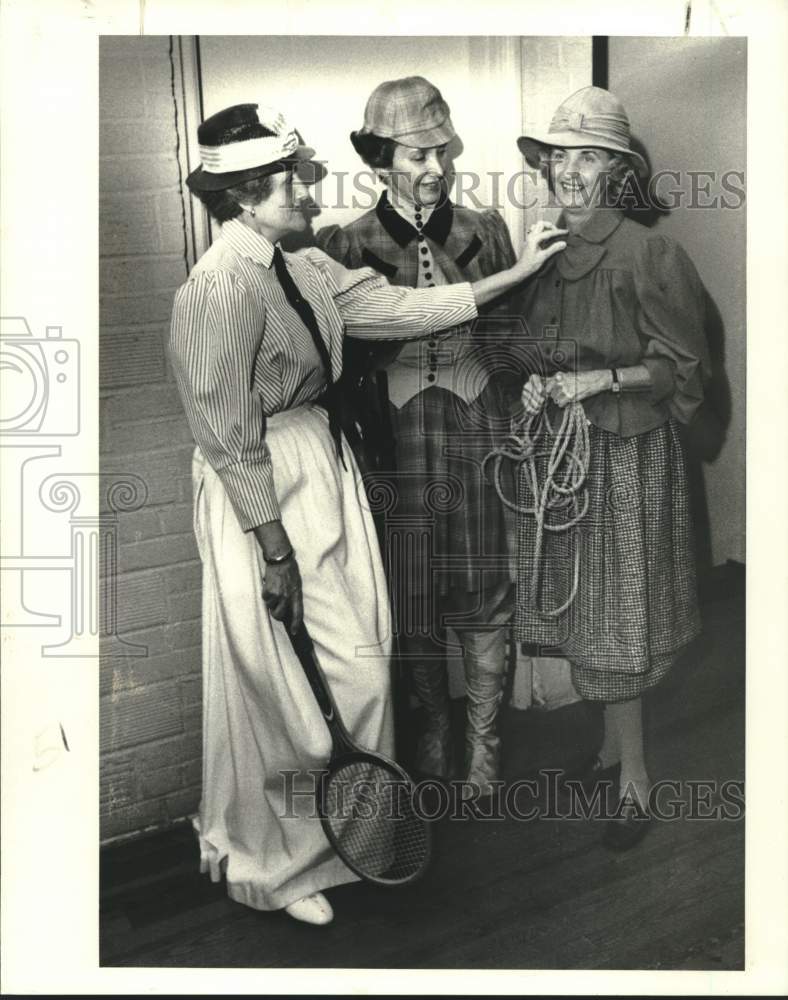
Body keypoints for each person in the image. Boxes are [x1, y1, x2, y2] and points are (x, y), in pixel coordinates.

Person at [169, 102, 565, 925]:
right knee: (288, 685)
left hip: (323, 468)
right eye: (288, 184)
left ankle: (344, 839)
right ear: (243, 195)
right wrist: (272, 546)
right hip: (263, 492)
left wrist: (514, 274)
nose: (308, 195)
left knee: (360, 661)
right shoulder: (217, 287)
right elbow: (223, 430)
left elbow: (402, 309)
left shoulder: (305, 266)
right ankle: (281, 864)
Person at [514, 86, 710, 849]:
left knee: (620, 623)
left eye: (588, 156)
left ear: (616, 172)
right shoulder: (548, 250)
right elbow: (535, 345)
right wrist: (534, 380)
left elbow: (682, 368)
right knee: (586, 614)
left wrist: (600, 381)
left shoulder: (648, 251)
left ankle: (636, 780)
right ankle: (604, 752)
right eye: (561, 155)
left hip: (626, 455)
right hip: (566, 456)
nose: (570, 170)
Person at [317, 76, 524, 799]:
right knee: (412, 589)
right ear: (380, 159)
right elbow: (337, 362)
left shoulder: (486, 231)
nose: (435, 168)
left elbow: (510, 334)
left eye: (442, 150)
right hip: (397, 442)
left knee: (484, 587)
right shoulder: (345, 243)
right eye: (415, 156)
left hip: (476, 433)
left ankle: (485, 746)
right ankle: (433, 727)